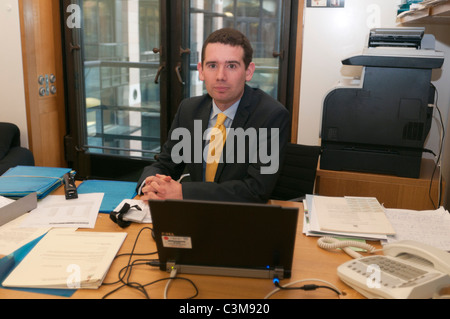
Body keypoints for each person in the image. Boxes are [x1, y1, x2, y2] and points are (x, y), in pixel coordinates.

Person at [137, 28, 290, 203]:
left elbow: (256, 189)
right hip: (193, 215)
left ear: (248, 71)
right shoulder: (189, 109)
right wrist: (149, 184)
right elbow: (165, 164)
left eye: (231, 66)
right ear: (201, 71)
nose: (220, 76)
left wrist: (182, 192)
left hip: (241, 217)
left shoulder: (272, 116)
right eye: (212, 65)